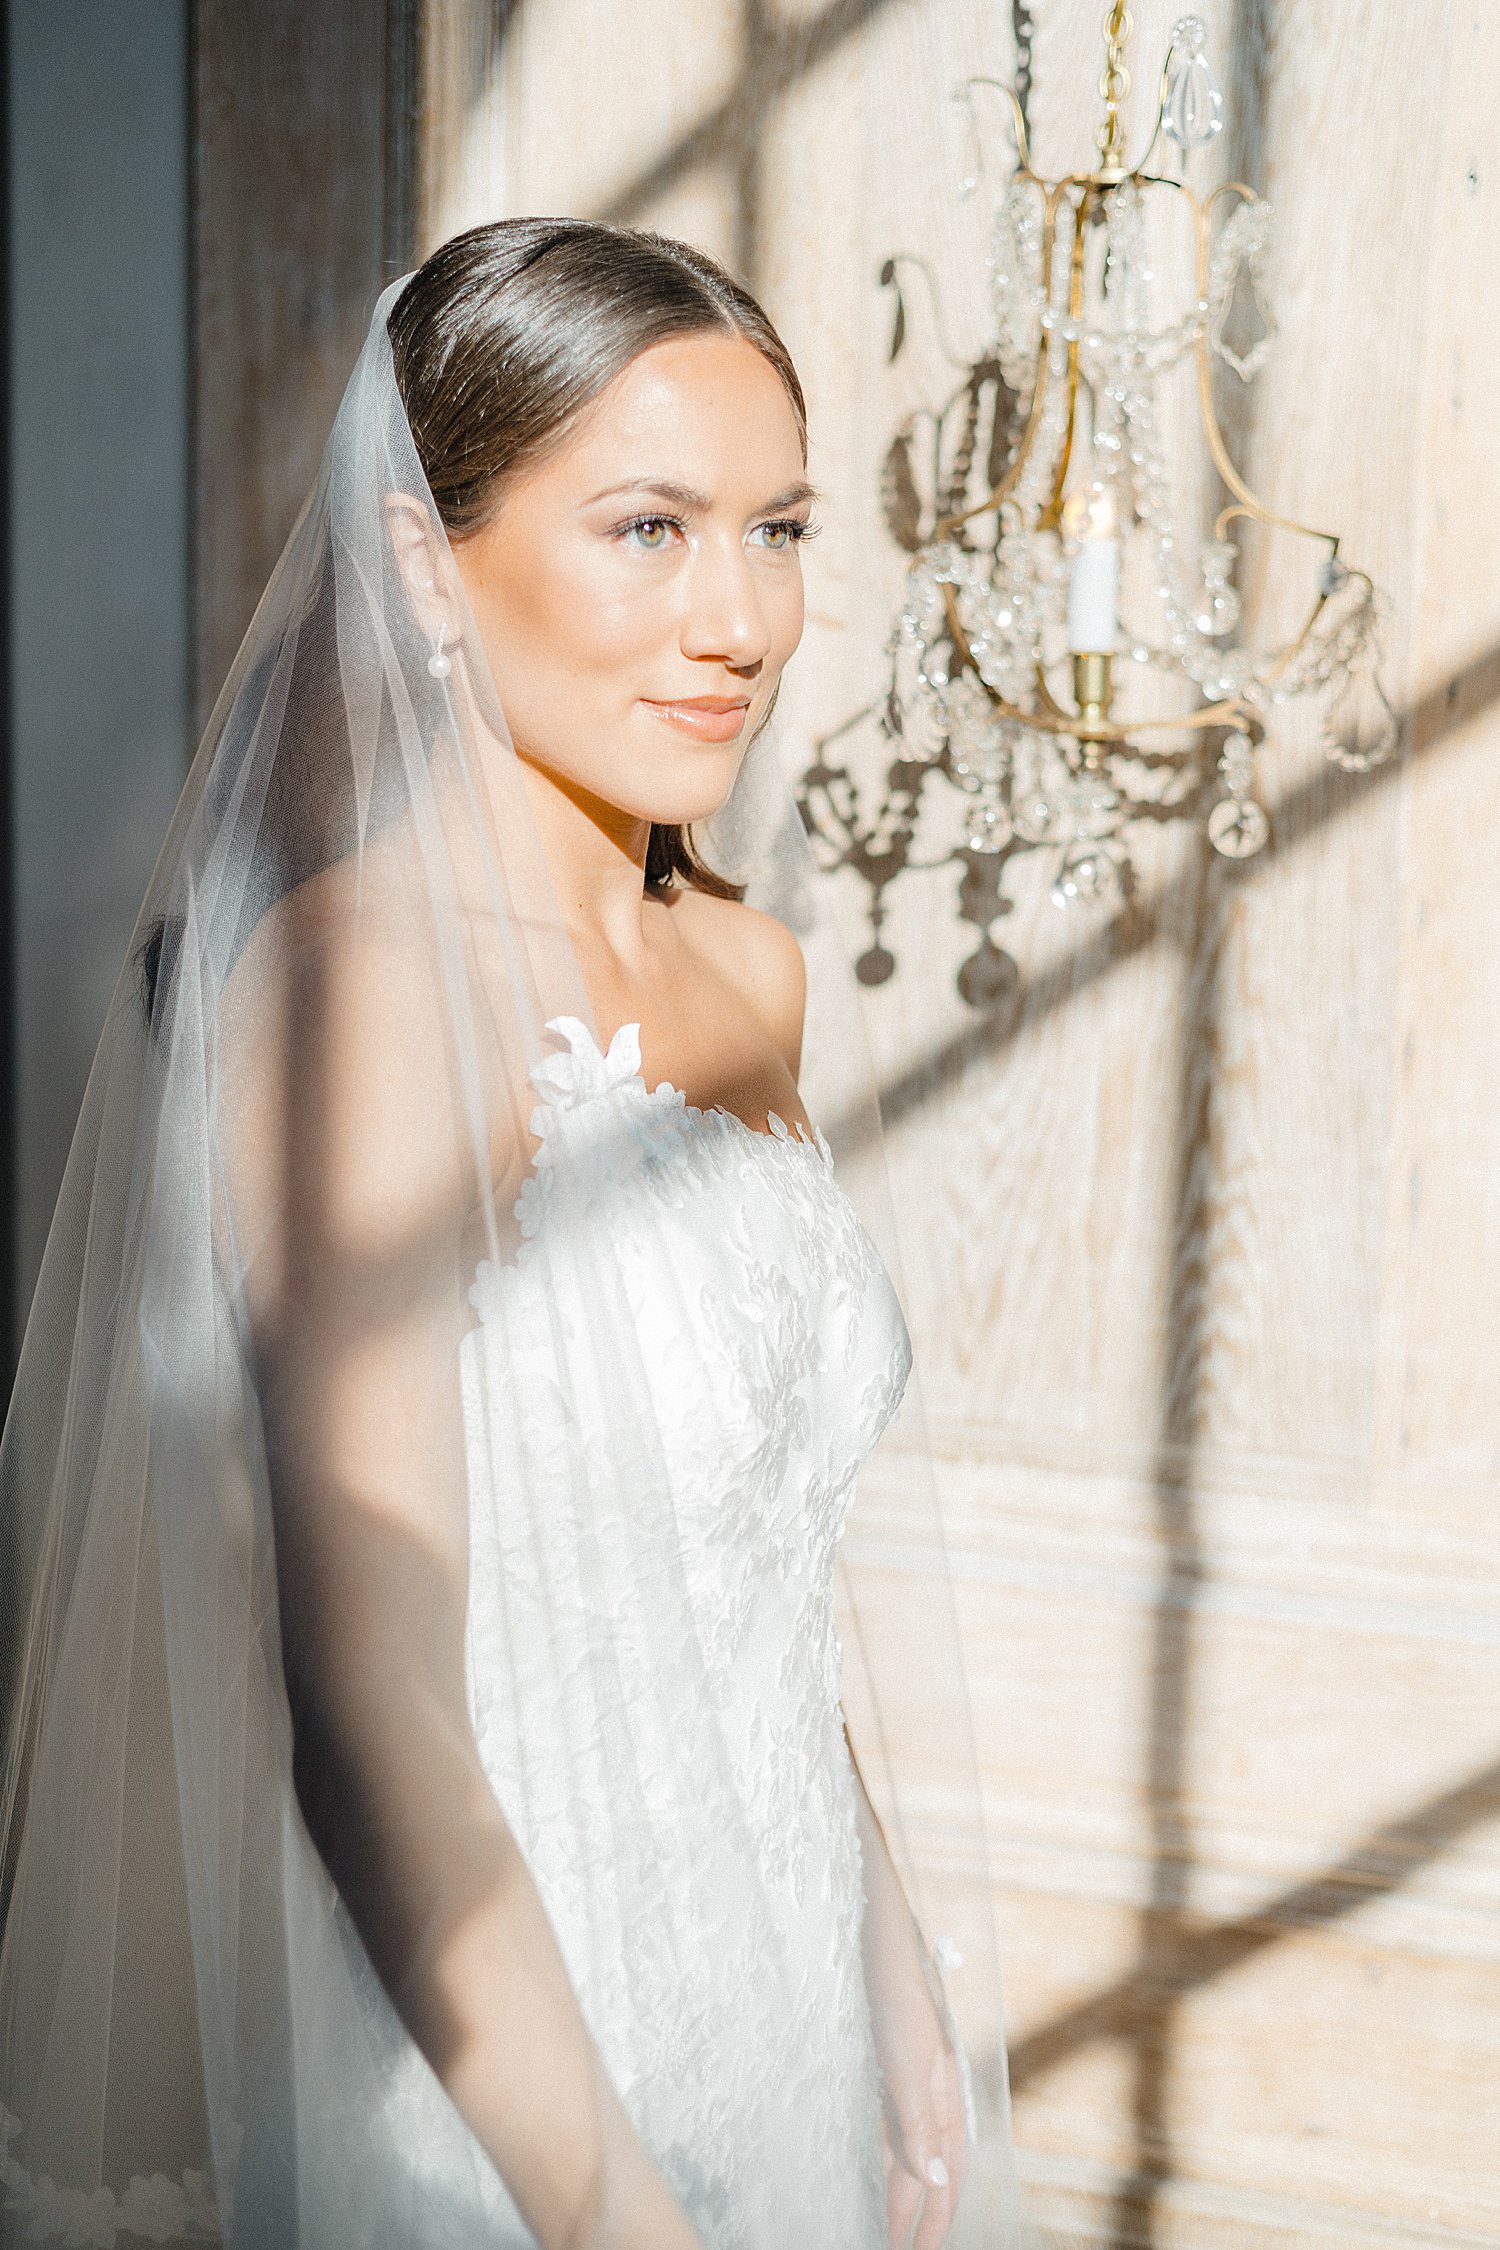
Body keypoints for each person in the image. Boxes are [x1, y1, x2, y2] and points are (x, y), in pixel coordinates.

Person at [0, 218, 1035, 2249]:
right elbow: (366, 1706)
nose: (740, 616)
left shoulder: (751, 979)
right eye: (649, 528)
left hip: (795, 2021)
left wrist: (895, 1980)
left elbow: (750, 1561)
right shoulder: (360, 991)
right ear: (422, 567)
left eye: (780, 529)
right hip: (500, 2087)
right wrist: (604, 2215)